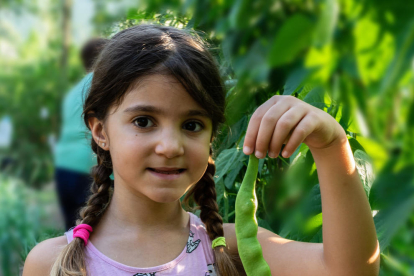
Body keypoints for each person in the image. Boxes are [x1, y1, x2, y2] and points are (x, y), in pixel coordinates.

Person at [23, 24, 380, 276]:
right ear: (100, 131)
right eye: (144, 121)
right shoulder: (54, 264)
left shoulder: (232, 247)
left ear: (211, 137)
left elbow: (350, 271)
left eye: (192, 125)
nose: (170, 146)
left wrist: (332, 146)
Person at [54, 38, 108, 231]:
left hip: (63, 166)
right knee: (96, 234)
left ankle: (66, 262)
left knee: (72, 232)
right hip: (88, 167)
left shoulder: (72, 93)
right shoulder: (105, 85)